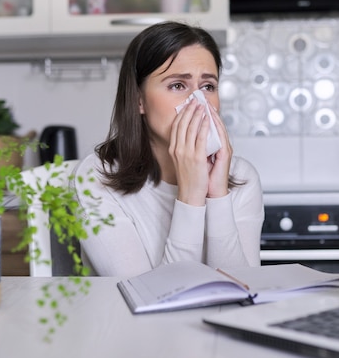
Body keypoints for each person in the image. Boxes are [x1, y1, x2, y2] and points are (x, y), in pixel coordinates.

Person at [73, 21, 264, 277]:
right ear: (139, 100)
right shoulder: (96, 178)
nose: (198, 103)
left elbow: (242, 289)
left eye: (208, 87)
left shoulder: (242, 177)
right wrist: (191, 195)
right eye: (177, 85)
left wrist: (218, 195)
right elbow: (148, 298)